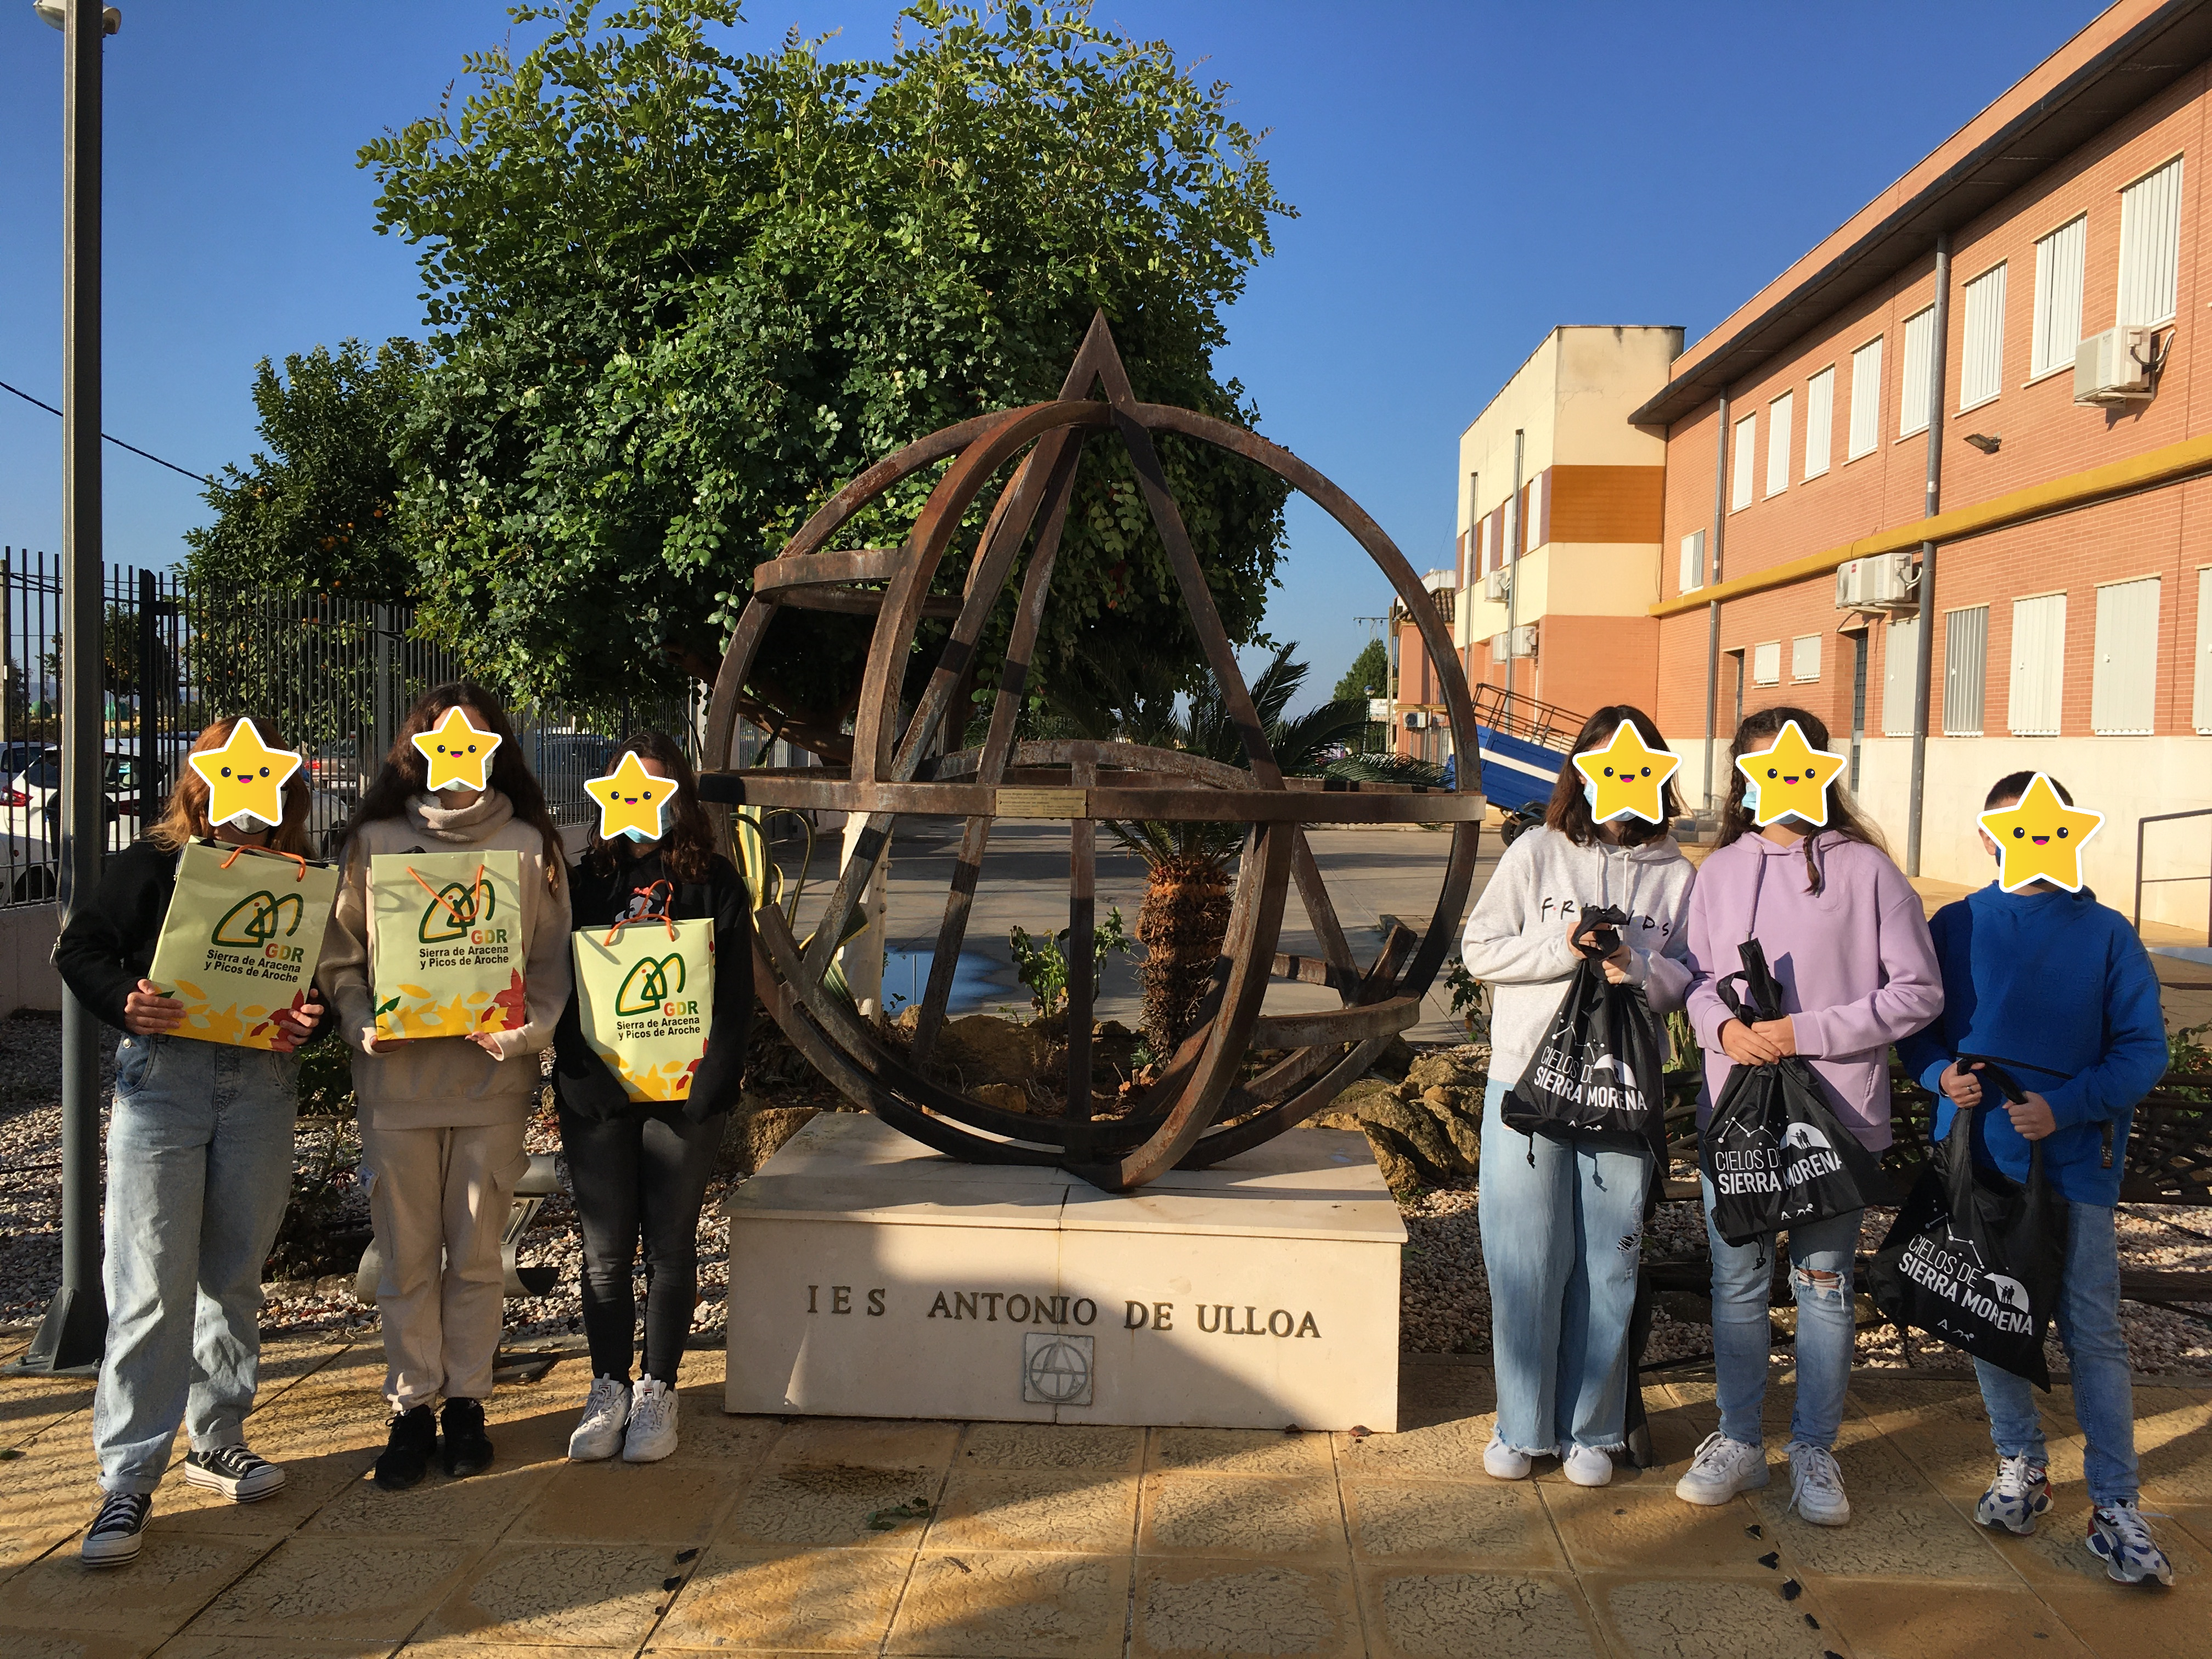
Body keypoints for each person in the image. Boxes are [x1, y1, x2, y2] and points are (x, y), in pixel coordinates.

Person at [55, 717, 326, 1566]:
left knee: (233, 1274)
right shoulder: (151, 865)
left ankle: (217, 1442)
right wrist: (124, 1001)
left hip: (260, 1088)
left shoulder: (299, 879)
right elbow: (80, 949)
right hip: (163, 1088)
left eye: (268, 781)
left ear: (286, 789)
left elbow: (311, 987)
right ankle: (127, 1483)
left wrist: (309, 1019)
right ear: (202, 781)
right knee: (147, 1284)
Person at [1897, 771, 2171, 1583]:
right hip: (1976, 1166)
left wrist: (2067, 1105)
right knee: (1990, 1320)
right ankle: (2022, 1463)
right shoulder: (1954, 924)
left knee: (2092, 1332)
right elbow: (1917, 1031)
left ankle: (2116, 1502)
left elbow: (2143, 1049)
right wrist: (1940, 1074)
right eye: (2017, 829)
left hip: (2075, 1168)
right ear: (1989, 837)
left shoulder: (2108, 933)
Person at [1675, 706, 1940, 1525]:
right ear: (1743, 780)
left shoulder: (1867, 872)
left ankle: (1816, 1449)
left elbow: (1919, 992)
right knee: (1739, 1283)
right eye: (1764, 767)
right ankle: (1739, 1441)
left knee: (1823, 1286)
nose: (1783, 782)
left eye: (1798, 766)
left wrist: (1807, 1032)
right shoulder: (1717, 873)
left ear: (1825, 773)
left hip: (1835, 1119)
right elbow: (1692, 975)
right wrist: (1718, 1028)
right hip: (1739, 1118)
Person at [320, 684, 572, 1491]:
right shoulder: (377, 840)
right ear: (415, 748)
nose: (459, 752)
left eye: (476, 738)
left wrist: (526, 1031)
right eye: (443, 738)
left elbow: (549, 962)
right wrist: (360, 1022)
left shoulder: (532, 845)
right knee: (406, 1259)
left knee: (475, 1259)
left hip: (491, 1083)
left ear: (498, 746)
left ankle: (467, 1401)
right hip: (397, 1086)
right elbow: (342, 960)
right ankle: (410, 1407)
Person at [1460, 704, 1695, 1488]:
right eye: (1606, 766)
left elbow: (1686, 982)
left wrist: (1636, 962)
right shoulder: (1537, 852)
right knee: (1525, 1257)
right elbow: (1480, 949)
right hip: (1525, 1082)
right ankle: (1521, 1427)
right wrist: (1562, 950)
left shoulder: (1675, 873)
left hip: (1622, 1091)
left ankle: (1592, 1428)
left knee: (1610, 1261)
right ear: (1582, 775)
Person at [552, 731, 753, 1462]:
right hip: (597, 1093)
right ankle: (607, 1384)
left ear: (681, 799)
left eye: (659, 789)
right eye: (629, 789)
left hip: (684, 1096)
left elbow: (734, 998)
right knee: (604, 1252)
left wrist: (709, 1086)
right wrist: (583, 1075)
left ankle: (658, 1390)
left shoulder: (716, 884)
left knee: (671, 1249)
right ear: (606, 799)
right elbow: (559, 989)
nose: (644, 804)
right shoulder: (582, 885)